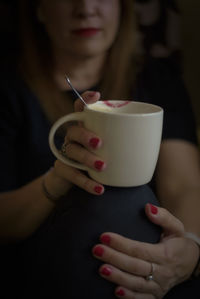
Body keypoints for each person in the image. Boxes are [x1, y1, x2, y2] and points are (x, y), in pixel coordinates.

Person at [0, 0, 200, 298]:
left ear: (122, 8)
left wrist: (190, 248)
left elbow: (184, 185)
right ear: (39, 9)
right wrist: (58, 179)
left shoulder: (156, 79)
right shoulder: (8, 88)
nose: (86, 8)